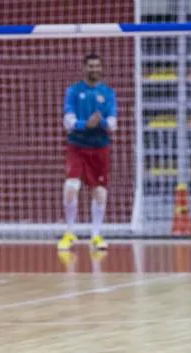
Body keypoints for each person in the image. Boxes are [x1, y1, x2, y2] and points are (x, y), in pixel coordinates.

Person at [58, 53, 117, 250]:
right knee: (70, 188)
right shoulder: (74, 91)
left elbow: (112, 123)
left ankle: (96, 236)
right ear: (85, 68)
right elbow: (69, 122)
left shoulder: (108, 93)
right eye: (90, 66)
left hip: (100, 148)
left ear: (101, 68)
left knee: (99, 192)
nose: (94, 69)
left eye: (97, 66)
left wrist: (99, 122)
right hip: (77, 147)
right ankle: (70, 232)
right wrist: (86, 124)